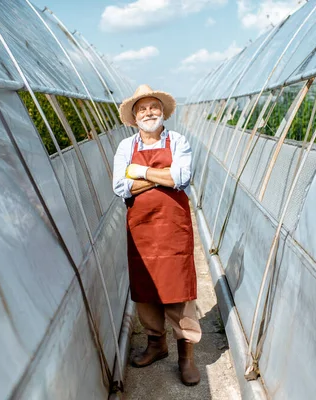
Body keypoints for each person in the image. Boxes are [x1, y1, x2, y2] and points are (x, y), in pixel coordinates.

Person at [113, 84, 201, 386]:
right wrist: (161, 178)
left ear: (162, 112)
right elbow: (119, 187)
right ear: (134, 117)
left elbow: (181, 178)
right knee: (145, 288)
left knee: (180, 290)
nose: (149, 112)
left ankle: (186, 355)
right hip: (142, 231)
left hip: (173, 229)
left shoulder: (177, 141)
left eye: (153, 107)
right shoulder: (126, 148)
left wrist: (139, 172)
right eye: (142, 109)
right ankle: (156, 344)